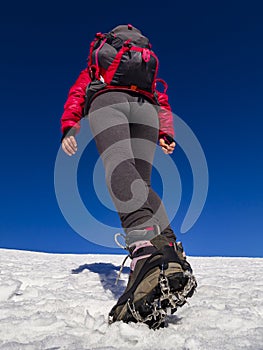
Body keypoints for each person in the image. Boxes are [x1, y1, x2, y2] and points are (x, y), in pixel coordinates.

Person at [60, 24, 196, 329]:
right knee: (142, 182)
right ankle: (169, 249)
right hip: (146, 109)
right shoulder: (142, 63)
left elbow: (80, 90)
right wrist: (166, 132)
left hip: (108, 102)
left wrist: (70, 123)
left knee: (117, 162)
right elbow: (160, 96)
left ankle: (143, 251)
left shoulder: (101, 61)